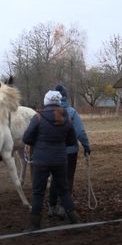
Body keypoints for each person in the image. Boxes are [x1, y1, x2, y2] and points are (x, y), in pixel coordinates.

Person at [22, 90, 80, 232]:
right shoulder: (66, 118)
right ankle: (76, 223)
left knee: (38, 192)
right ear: (59, 102)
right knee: (64, 191)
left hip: (41, 161)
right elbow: (72, 141)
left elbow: (26, 138)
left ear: (46, 101)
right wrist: (59, 144)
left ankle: (35, 226)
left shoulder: (38, 117)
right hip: (60, 160)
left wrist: (39, 142)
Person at [48, 84, 91, 218]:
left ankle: (52, 206)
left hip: (52, 152)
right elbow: (80, 132)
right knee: (67, 179)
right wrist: (86, 146)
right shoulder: (71, 112)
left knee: (55, 179)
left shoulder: (47, 112)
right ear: (65, 96)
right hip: (70, 151)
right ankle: (63, 207)